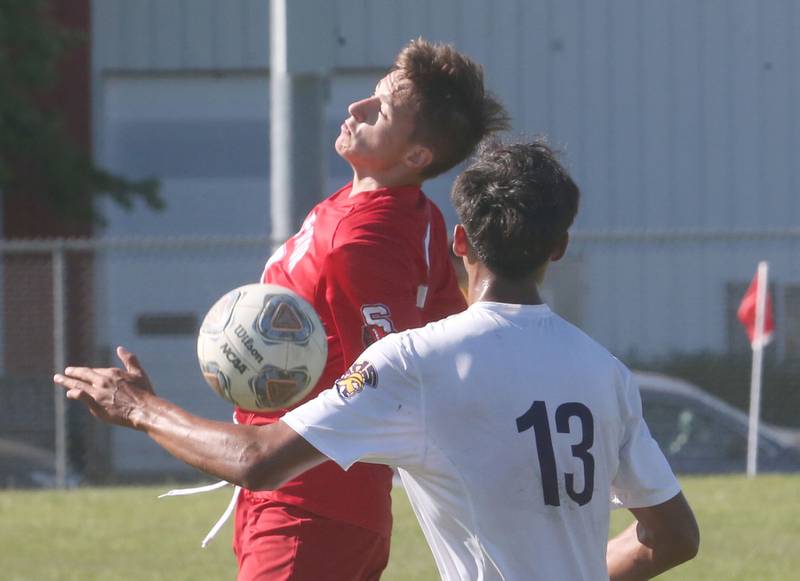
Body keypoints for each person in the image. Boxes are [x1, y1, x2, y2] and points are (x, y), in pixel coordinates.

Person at [56, 139, 700, 580]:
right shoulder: (605, 372)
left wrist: (139, 408)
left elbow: (256, 461)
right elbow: (672, 536)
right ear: (558, 247)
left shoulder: (416, 362)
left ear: (459, 242)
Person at [198, 39, 509, 580]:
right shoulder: (412, 215)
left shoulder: (360, 241)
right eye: (370, 96)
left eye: (380, 111)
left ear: (417, 156)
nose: (355, 109)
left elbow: (381, 382)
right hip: (318, 502)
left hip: (309, 508)